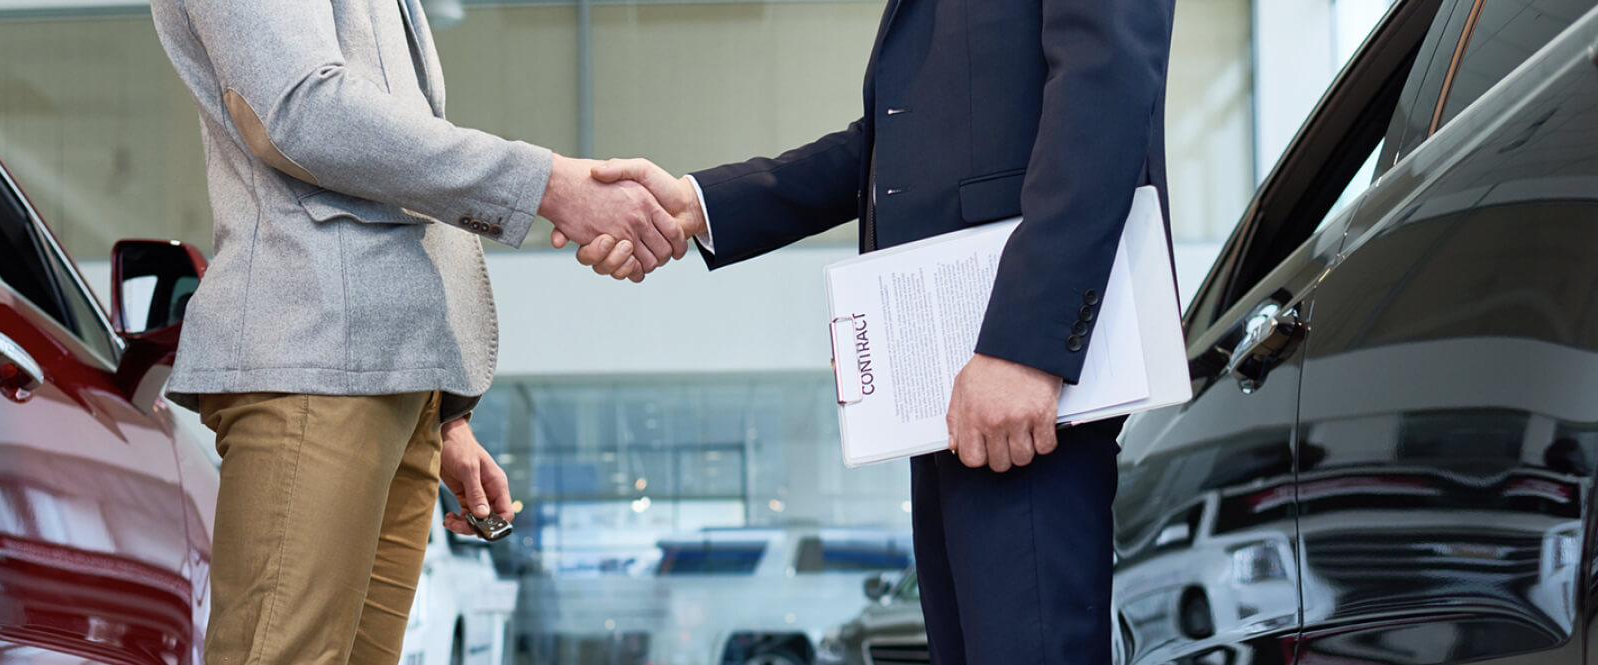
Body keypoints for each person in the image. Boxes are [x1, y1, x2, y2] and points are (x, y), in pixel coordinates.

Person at [559, 0, 1177, 661]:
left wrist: (1025, 346)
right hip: (959, 381)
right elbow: (892, 142)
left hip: (1019, 380)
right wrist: (699, 204)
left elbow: (1106, 84)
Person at [146, 1, 684, 663]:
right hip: (317, 350)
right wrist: (544, 183)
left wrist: (441, 415)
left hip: (392, 378)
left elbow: (385, 153)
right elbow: (302, 111)